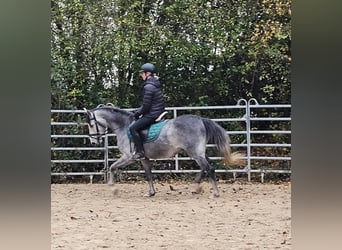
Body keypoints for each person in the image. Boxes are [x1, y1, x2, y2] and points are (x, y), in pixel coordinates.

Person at [130, 63, 166, 160]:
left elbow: (146, 106)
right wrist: (138, 110)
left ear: (148, 73)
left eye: (142, 73)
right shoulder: (155, 84)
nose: (141, 75)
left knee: (133, 128)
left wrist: (137, 113)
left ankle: (140, 152)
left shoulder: (148, 86)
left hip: (153, 114)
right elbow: (147, 104)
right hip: (157, 111)